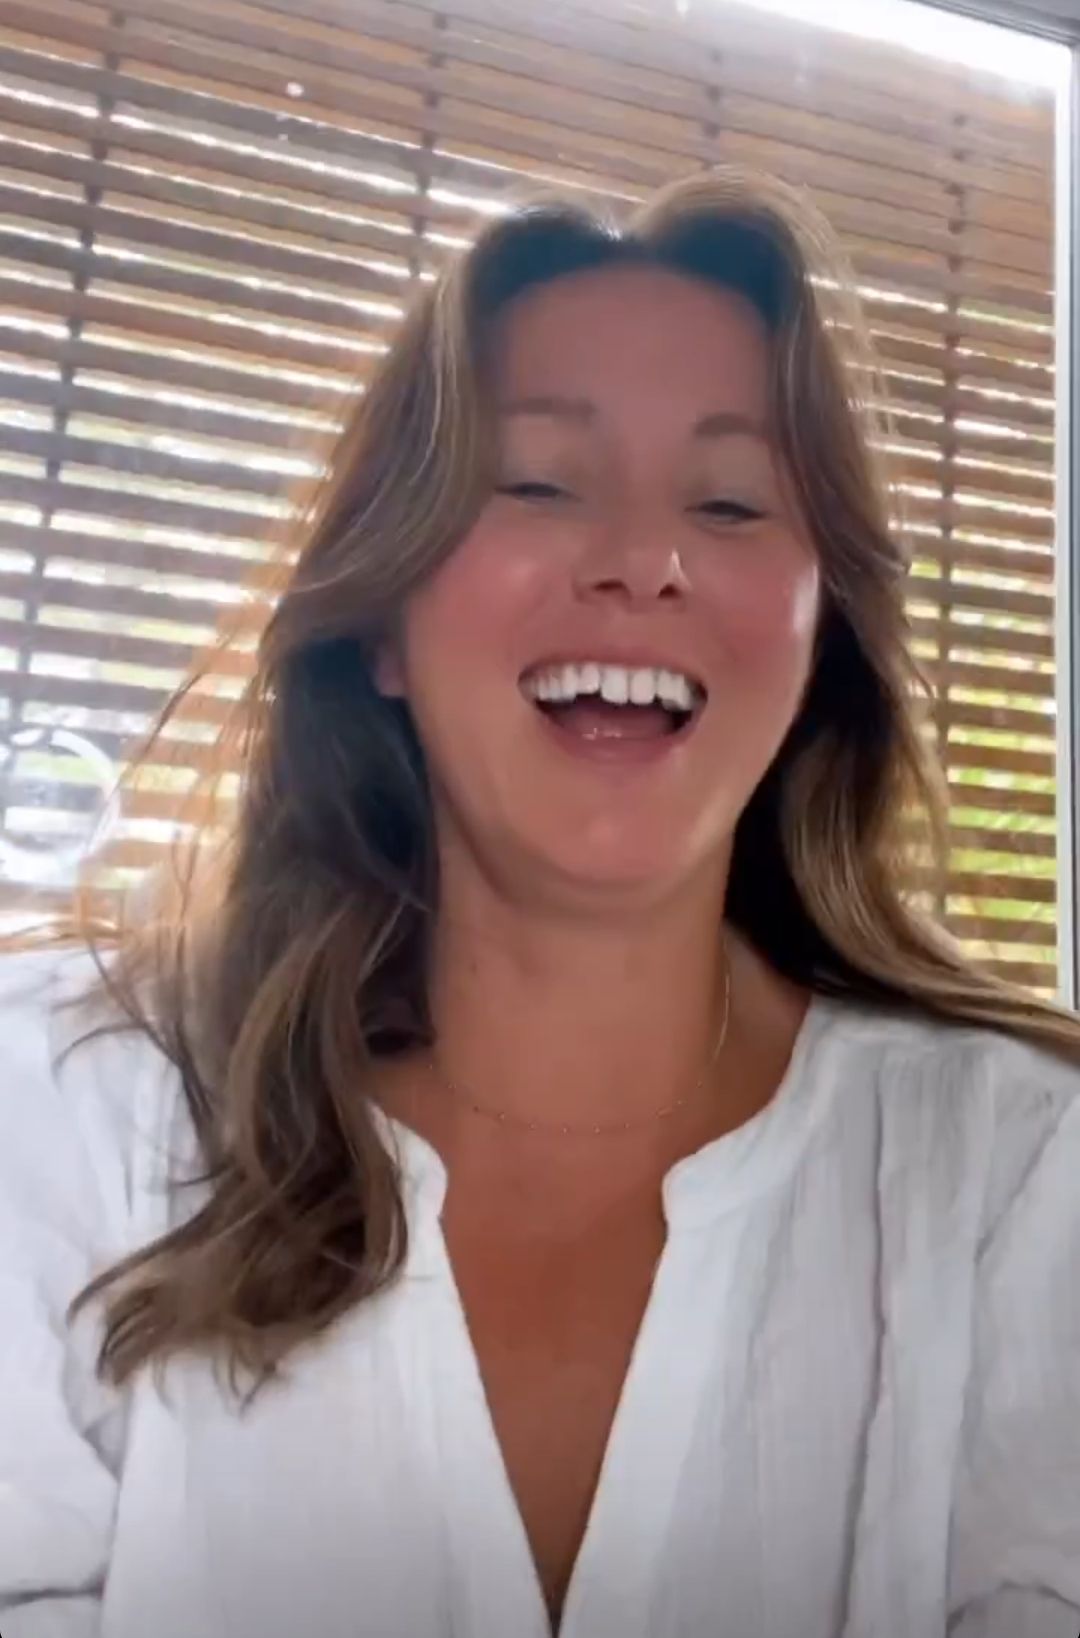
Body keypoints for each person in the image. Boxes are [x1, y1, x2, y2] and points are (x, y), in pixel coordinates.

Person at [0, 168, 1077, 1638]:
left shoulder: (1021, 1179)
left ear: (817, 640)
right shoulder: (65, 1108)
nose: (644, 562)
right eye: (539, 482)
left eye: (730, 501)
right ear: (381, 620)